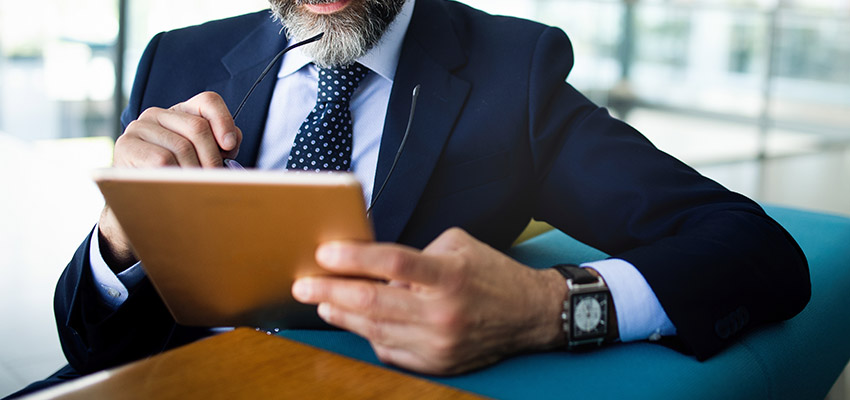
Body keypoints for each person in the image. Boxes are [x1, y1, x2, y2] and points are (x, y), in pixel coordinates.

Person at [10, 0, 811, 396]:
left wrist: (546, 307)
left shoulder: (513, 72)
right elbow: (92, 348)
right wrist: (118, 242)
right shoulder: (176, 59)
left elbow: (754, 250)